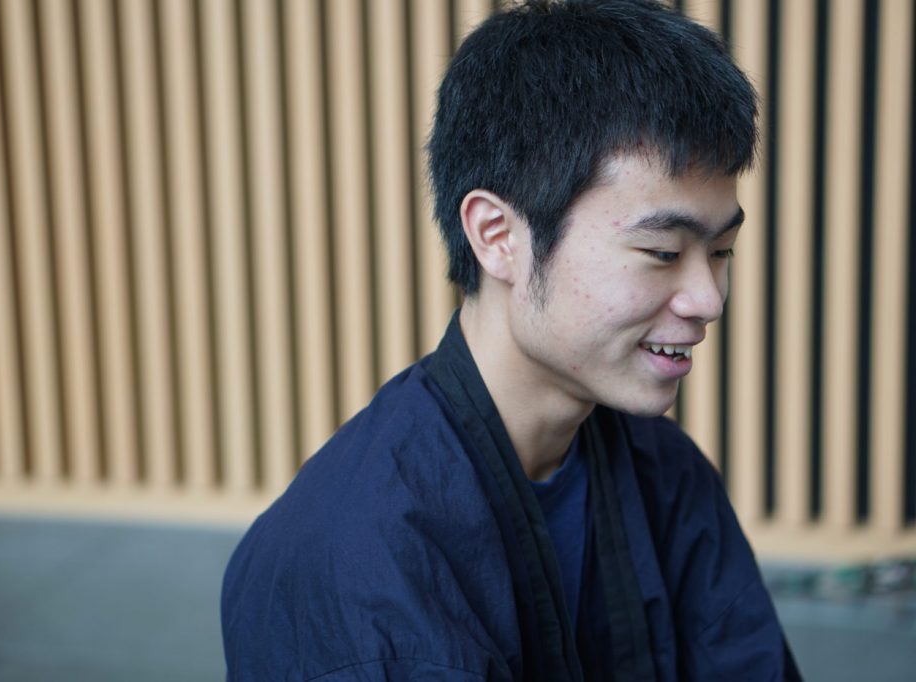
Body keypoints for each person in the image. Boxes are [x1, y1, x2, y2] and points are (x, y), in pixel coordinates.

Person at [221, 1, 802, 679]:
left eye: (722, 252)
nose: (708, 300)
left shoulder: (665, 472)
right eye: (662, 252)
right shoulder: (355, 561)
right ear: (498, 236)